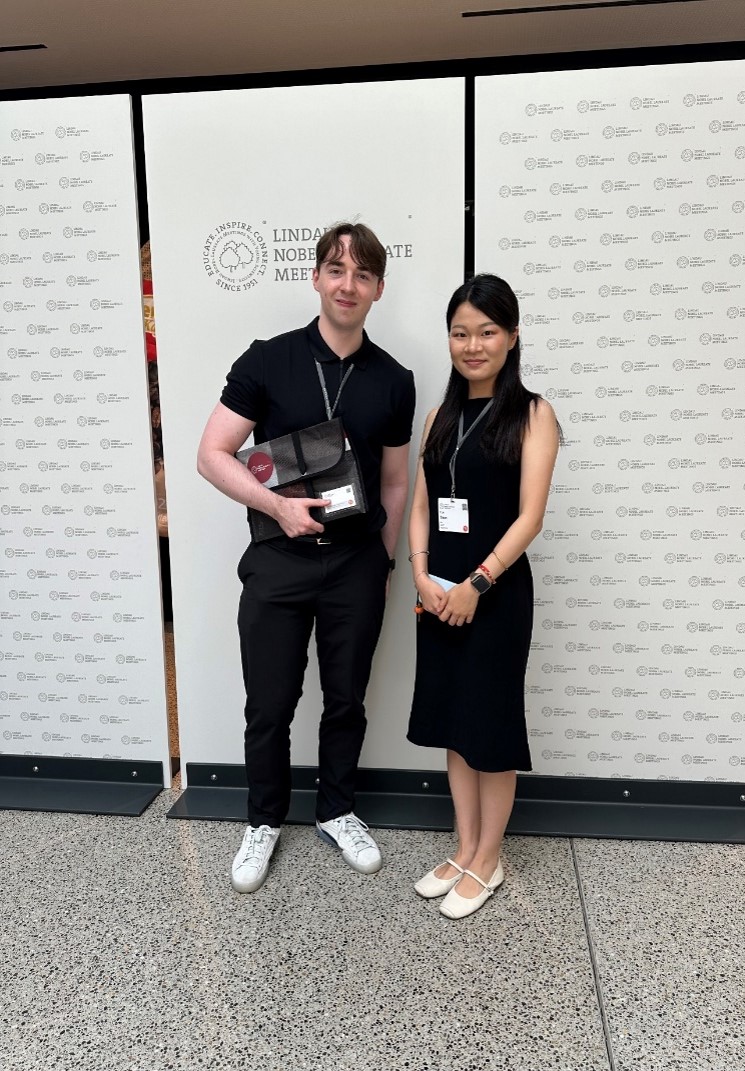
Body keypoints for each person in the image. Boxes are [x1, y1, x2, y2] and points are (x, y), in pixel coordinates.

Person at [197, 222, 415, 893]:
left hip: (355, 564)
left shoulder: (394, 380)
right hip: (279, 561)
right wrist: (277, 507)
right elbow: (212, 453)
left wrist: (382, 562)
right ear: (316, 277)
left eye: (363, 274)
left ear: (378, 287)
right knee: (269, 702)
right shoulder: (268, 359)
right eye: (336, 269)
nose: (348, 284)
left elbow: (395, 482)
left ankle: (336, 809)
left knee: (346, 699)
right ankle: (263, 820)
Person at [407, 274, 558, 920]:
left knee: (490, 725)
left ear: (512, 337)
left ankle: (489, 857)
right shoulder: (440, 416)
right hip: (436, 592)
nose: (473, 345)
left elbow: (530, 518)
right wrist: (420, 573)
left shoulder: (533, 414)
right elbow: (421, 506)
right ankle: (465, 845)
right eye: (461, 332)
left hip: (493, 596)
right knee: (452, 721)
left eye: (487, 332)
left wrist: (476, 583)